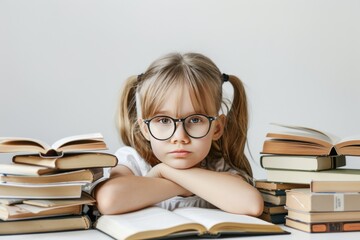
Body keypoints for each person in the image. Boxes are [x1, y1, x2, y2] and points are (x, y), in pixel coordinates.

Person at [95, 52, 263, 216]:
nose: (180, 137)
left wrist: (165, 171)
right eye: (164, 120)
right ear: (145, 129)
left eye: (196, 120)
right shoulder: (134, 162)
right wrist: (185, 184)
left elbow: (252, 204)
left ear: (217, 128)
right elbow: (109, 200)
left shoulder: (219, 165)